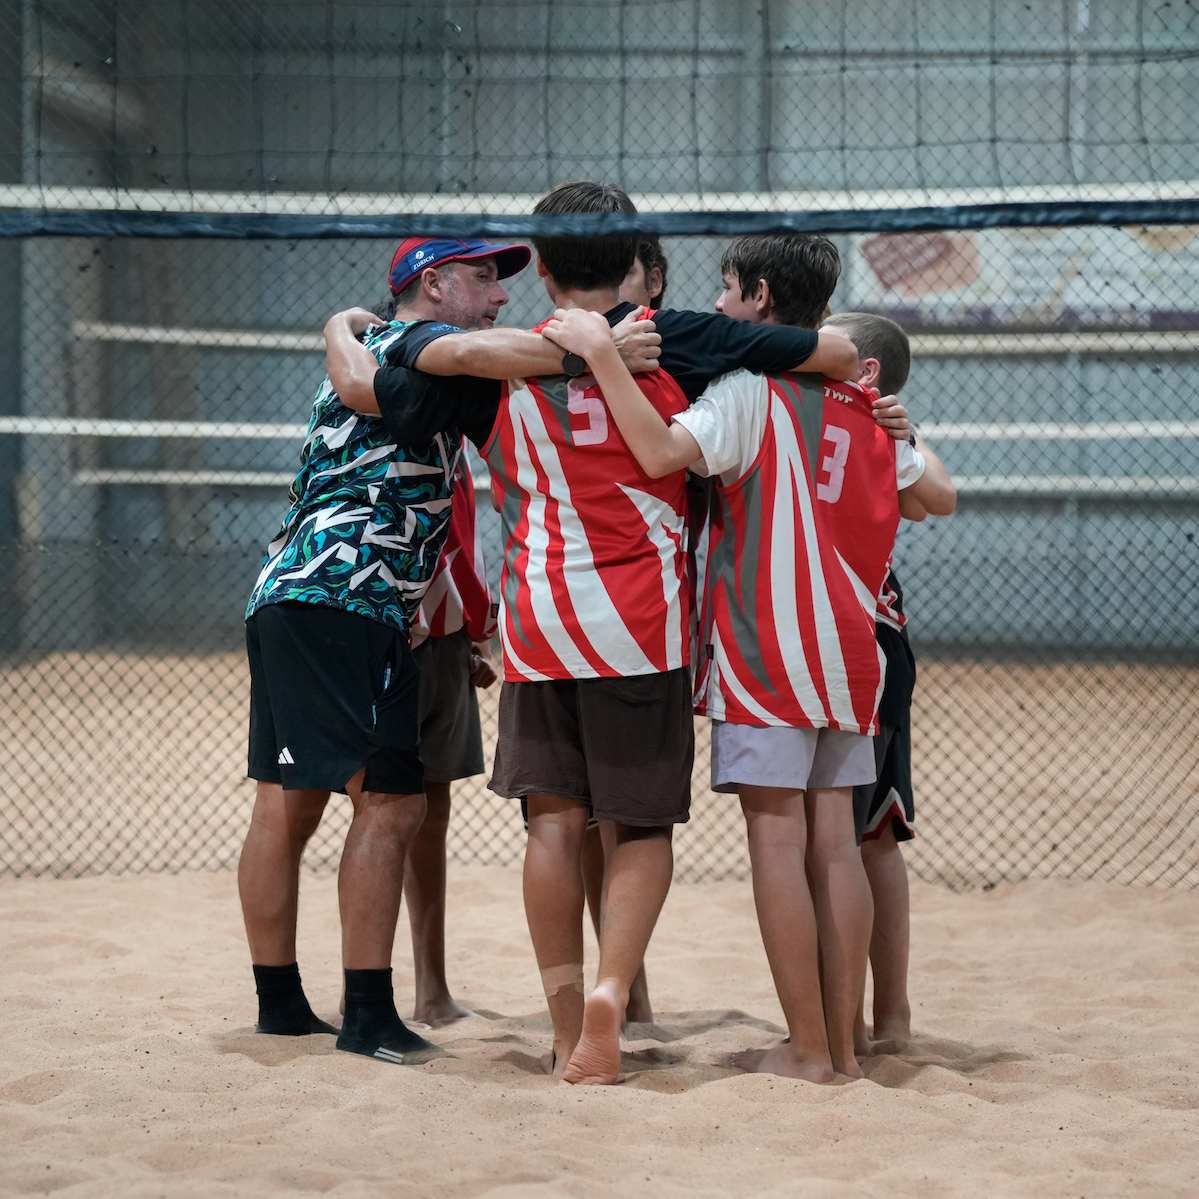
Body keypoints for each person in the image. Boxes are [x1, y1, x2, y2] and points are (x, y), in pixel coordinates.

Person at [346, 182, 858, 1083]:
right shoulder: (682, 338)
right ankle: (613, 995)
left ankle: (559, 1021)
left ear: (538, 267)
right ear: (633, 268)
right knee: (641, 825)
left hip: (541, 618)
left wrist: (342, 334)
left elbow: (375, 390)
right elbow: (832, 350)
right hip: (642, 620)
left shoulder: (489, 371)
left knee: (553, 822)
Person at [239, 234, 617, 1066]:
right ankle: (370, 1013)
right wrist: (598, 339)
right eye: (483, 277)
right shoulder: (416, 342)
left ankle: (279, 1005)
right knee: (395, 803)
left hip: (289, 590)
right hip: (347, 594)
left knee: (286, 800)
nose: (499, 294)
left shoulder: (384, 354)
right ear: (433, 285)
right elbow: (487, 349)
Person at [547, 232, 909, 1083]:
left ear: (757, 295)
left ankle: (810, 1049)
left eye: (726, 289)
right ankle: (845, 1050)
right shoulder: (866, 407)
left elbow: (660, 452)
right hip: (853, 648)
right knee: (836, 840)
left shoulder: (753, 390)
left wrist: (601, 356)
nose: (715, 304)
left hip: (769, 648)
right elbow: (928, 494)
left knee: (779, 841)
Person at [817, 311, 956, 1054]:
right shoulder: (806, 409)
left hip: (861, 639)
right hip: (827, 637)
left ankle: (882, 1017)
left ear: (864, 369)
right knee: (849, 834)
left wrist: (901, 431)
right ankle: (849, 1019)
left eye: (827, 338)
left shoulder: (868, 423)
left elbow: (937, 495)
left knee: (864, 832)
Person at [573, 231, 673, 1028]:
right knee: (597, 813)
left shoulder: (686, 355)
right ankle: (618, 987)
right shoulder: (535, 354)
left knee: (575, 811)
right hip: (638, 617)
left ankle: (608, 990)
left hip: (567, 617)